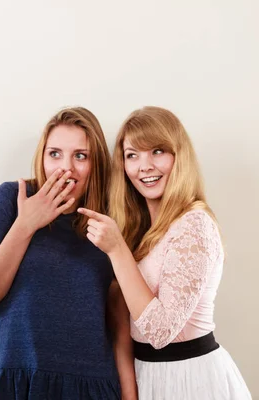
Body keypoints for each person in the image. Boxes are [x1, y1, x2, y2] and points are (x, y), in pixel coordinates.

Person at [78, 106, 251, 399]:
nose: (144, 166)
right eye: (132, 155)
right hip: (149, 375)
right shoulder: (145, 229)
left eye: (157, 151)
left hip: (190, 379)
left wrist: (117, 249)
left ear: (178, 156)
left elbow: (160, 332)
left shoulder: (194, 224)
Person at [0, 107, 138, 399]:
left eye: (80, 156)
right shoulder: (12, 199)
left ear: (95, 162)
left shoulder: (110, 221)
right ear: (42, 157)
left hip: (92, 388)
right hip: (22, 384)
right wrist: (26, 224)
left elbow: (120, 328)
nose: (66, 168)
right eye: (55, 154)